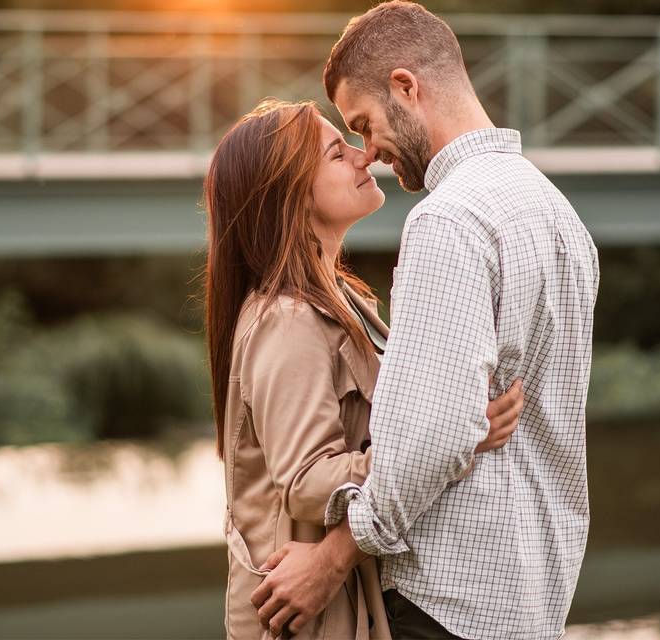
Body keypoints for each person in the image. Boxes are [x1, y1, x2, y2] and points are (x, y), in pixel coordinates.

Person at [250, 2, 600, 639]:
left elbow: (431, 434)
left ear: (406, 87)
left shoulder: (447, 222)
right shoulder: (558, 214)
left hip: (450, 605)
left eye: (363, 123)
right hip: (537, 595)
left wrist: (330, 559)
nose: (369, 152)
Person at [202, 97, 525, 640]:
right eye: (337, 153)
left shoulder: (344, 300)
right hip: (301, 621)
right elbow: (308, 481)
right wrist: (452, 439)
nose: (364, 156)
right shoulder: (288, 318)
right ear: (291, 198)